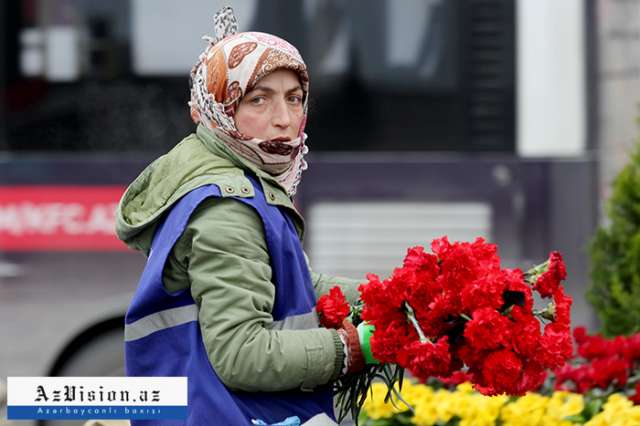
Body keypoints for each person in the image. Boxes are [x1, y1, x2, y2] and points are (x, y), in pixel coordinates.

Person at [116, 7, 373, 426]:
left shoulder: (241, 179)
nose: (284, 120)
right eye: (258, 99)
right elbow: (241, 354)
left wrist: (391, 299)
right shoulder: (228, 206)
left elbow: (293, 286)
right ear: (219, 107)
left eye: (294, 98)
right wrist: (350, 349)